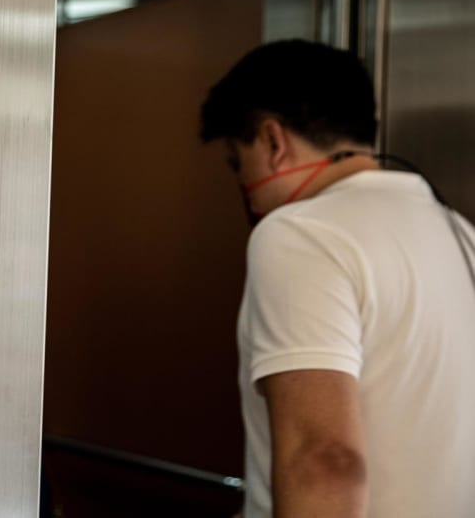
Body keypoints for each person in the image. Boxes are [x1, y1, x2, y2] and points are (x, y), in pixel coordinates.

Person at [200, 39, 475, 517]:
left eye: (236, 163)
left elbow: (323, 460)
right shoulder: (461, 234)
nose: (246, 191)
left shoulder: (298, 234)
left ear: (272, 142)